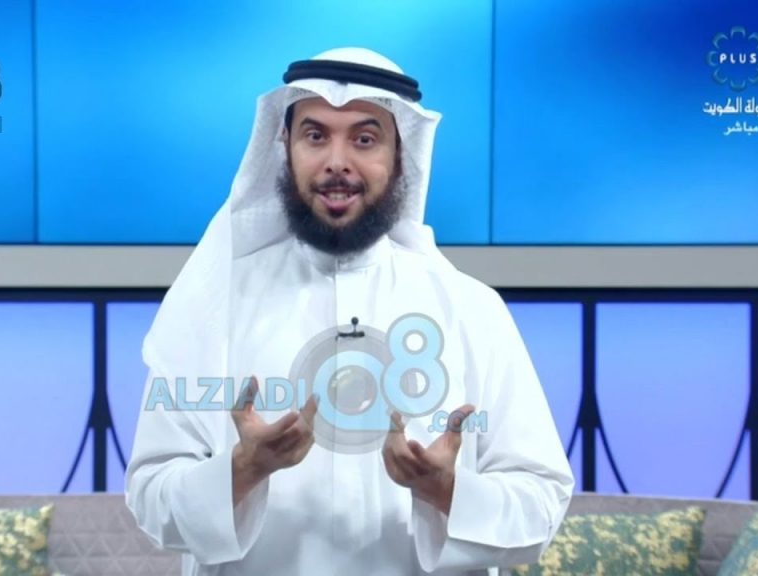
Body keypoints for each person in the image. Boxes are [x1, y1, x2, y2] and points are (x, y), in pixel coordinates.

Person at [125, 47, 574, 576]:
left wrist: (447, 489)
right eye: (316, 136)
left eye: (364, 139)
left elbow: (542, 505)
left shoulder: (471, 309)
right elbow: (150, 498)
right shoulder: (214, 301)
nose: (337, 162)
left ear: (400, 156)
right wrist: (243, 469)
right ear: (285, 148)